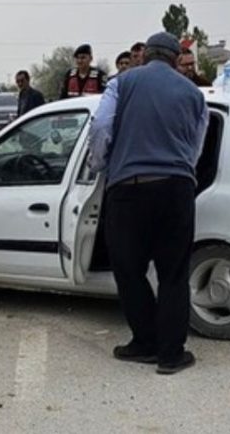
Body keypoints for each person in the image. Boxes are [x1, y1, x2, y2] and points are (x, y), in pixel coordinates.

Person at [88, 32, 208, 375]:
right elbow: (196, 148)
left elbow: (101, 127)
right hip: (176, 190)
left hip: (128, 190)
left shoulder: (122, 83)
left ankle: (144, 342)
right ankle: (171, 355)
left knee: (128, 270)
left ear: (145, 56)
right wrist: (180, 170)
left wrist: (101, 165)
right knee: (173, 274)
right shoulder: (194, 94)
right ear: (174, 60)